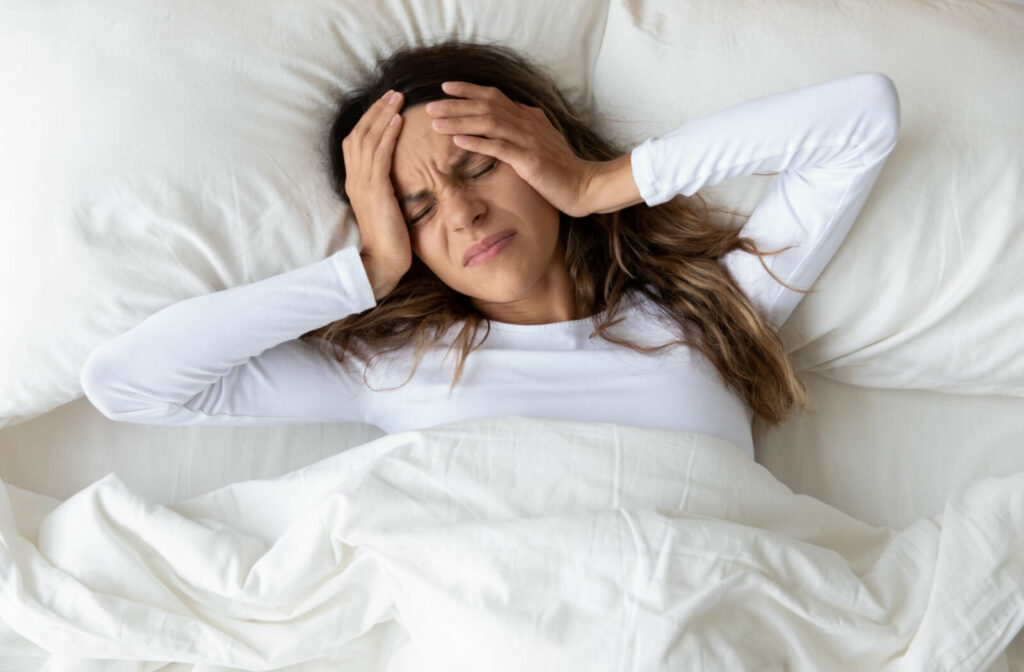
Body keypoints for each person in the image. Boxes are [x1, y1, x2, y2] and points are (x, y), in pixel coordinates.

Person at [79, 38, 900, 459]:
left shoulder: (715, 312)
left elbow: (863, 118)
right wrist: (364, 271)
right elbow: (129, 385)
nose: (464, 213)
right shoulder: (393, 365)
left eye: (478, 165)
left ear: (541, 150)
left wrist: (598, 181)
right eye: (417, 206)